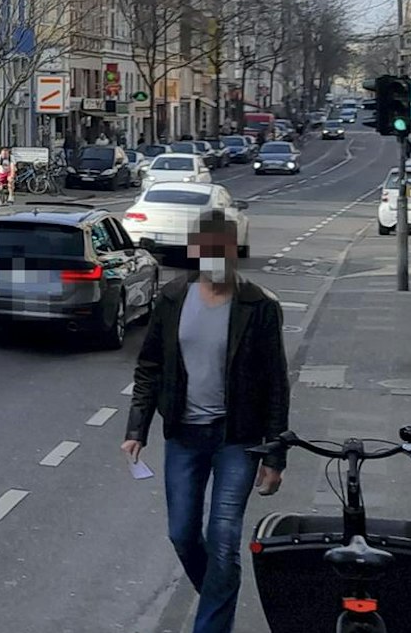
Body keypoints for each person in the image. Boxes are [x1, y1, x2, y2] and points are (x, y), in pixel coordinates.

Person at [122, 211, 290, 633]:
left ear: (234, 251)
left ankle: (211, 624)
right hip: (184, 434)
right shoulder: (175, 297)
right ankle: (218, 595)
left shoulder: (258, 306)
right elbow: (150, 366)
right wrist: (136, 430)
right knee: (182, 533)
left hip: (238, 439)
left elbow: (276, 383)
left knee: (224, 539)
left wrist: (275, 456)